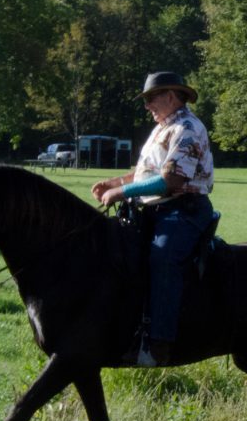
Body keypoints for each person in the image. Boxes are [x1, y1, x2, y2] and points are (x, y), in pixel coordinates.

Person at [91, 71, 215, 368]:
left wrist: (123, 192)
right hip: (156, 209)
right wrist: (114, 183)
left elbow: (171, 179)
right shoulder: (163, 128)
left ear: (171, 96)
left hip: (184, 210)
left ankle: (159, 344)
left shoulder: (188, 128)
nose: (147, 106)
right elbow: (147, 173)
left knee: (163, 258)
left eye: (151, 99)